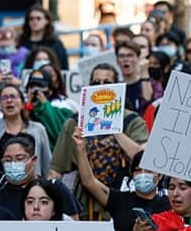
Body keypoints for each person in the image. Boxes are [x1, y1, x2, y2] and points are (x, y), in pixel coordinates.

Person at [48, 64, 150, 222]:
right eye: (96, 84)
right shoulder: (75, 123)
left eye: (107, 84)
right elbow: (56, 170)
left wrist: (113, 125)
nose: (101, 88)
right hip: (84, 207)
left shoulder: (132, 121)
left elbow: (140, 157)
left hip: (123, 204)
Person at [0, 82, 52, 179]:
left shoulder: (38, 129)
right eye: (4, 98)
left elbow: (48, 163)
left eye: (13, 96)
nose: (9, 100)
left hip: (30, 187)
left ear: (22, 104)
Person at [22, 6, 69, 71]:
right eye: (31, 18)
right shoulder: (21, 42)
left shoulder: (55, 43)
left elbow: (63, 67)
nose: (34, 21)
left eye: (38, 18)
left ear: (46, 21)